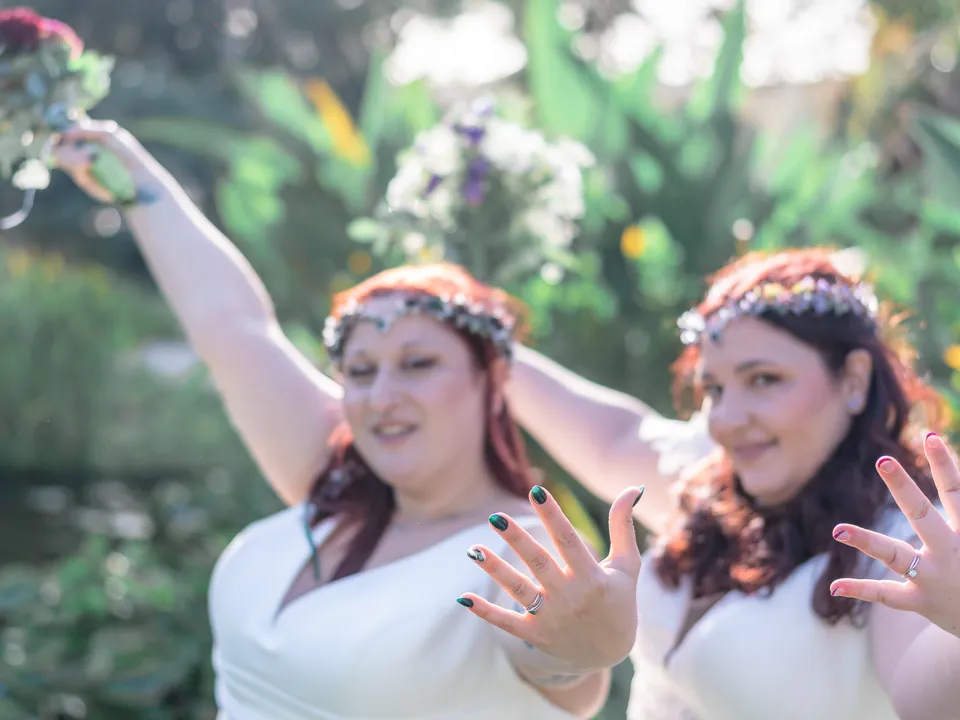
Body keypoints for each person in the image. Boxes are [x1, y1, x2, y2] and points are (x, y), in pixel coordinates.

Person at [52, 120, 644, 720]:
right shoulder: (330, 479)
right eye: (360, 371)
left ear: (493, 382)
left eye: (418, 364)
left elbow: (561, 660)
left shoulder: (522, 552)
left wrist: (586, 647)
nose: (381, 396)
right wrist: (135, 181)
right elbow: (230, 322)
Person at [501, 248, 960, 719]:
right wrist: (479, 334)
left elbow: (927, 700)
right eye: (715, 389)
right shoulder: (712, 482)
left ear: (854, 380)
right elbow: (614, 440)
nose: (726, 420)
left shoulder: (906, 545)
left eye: (764, 379)